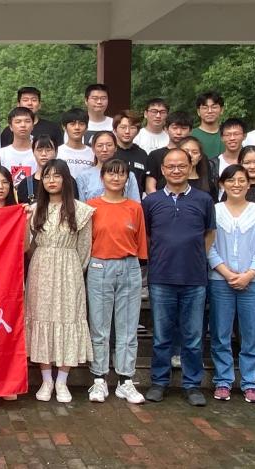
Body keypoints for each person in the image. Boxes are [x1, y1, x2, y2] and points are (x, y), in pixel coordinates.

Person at [142, 148, 216, 407]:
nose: (176, 170)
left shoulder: (203, 199)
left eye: (181, 166)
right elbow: (147, 236)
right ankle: (159, 382)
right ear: (162, 170)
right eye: (170, 166)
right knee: (162, 336)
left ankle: (192, 384)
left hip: (194, 278)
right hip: (161, 277)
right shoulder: (151, 202)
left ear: (190, 167)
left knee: (193, 337)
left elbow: (210, 233)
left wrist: (197, 256)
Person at [26, 160, 93, 404]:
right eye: (47, 176)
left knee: (68, 317)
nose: (51, 180)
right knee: (41, 316)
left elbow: (84, 249)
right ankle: (46, 379)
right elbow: (27, 246)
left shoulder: (81, 210)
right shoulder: (34, 210)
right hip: (40, 268)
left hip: (69, 269)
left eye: (57, 175)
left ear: (66, 179)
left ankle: (62, 380)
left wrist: (71, 268)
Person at [85, 158, 148, 405]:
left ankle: (125, 379)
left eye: (121, 174)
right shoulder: (91, 207)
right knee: (99, 326)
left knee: (128, 327)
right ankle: (99, 378)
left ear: (127, 179)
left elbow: (141, 243)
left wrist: (138, 266)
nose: (116, 178)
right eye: (111, 173)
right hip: (99, 265)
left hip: (129, 266)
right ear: (102, 177)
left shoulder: (135, 208)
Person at [207, 164, 255, 404]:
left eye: (241, 180)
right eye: (231, 180)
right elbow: (208, 246)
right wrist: (225, 272)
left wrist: (249, 274)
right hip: (219, 281)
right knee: (220, 334)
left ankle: (250, 383)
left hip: (253, 283)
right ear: (222, 184)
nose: (236, 184)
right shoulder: (214, 211)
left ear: (249, 183)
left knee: (251, 335)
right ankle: (223, 381)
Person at [76, 131, 140, 202]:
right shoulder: (83, 176)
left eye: (109, 145)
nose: (104, 149)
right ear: (93, 149)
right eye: (100, 145)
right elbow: (81, 205)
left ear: (115, 148)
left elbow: (135, 203)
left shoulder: (128, 175)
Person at [144, 111, 193, 194]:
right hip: (160, 200)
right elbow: (150, 187)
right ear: (166, 129)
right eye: (174, 128)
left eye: (184, 128)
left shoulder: (194, 155)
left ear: (190, 131)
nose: (179, 132)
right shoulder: (155, 155)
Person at [16, 135, 63, 204]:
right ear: (33, 152)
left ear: (56, 152)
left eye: (48, 150)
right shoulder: (24, 185)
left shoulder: (67, 181)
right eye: (39, 150)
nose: (44, 154)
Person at [0, 107, 37, 189]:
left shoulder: (39, 153)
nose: (23, 125)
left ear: (33, 126)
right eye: (18, 122)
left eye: (27, 121)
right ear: (10, 127)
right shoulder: (1, 154)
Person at [113, 110, 149, 194]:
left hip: (136, 201)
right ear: (115, 130)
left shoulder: (142, 154)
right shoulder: (108, 152)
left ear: (138, 131)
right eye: (123, 127)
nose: (127, 131)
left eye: (132, 128)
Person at [57, 108, 95, 181]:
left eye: (81, 124)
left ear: (86, 128)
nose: (77, 127)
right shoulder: (57, 152)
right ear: (64, 127)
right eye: (72, 124)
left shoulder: (93, 153)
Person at [178, 136, 218, 202]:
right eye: (186, 151)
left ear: (200, 157)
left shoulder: (208, 184)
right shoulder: (169, 181)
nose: (190, 155)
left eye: (195, 152)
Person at [191, 92, 225, 159]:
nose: (209, 111)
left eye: (214, 107)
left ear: (221, 110)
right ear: (198, 112)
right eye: (205, 108)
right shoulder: (191, 135)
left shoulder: (230, 135)